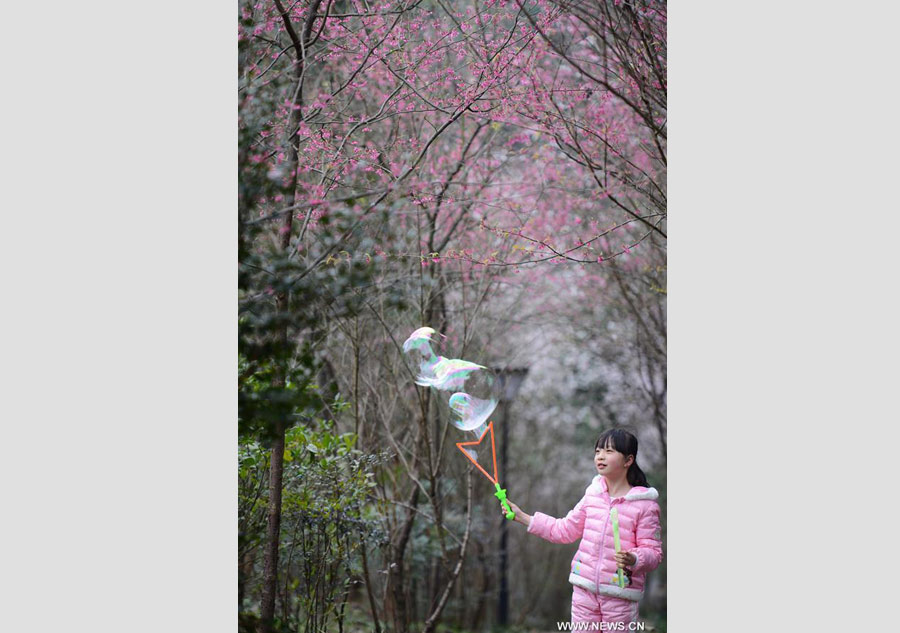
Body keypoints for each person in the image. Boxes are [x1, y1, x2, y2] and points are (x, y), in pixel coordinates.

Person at [503, 428, 663, 625]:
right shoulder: (593, 495)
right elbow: (564, 530)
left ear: (628, 460)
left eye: (609, 451)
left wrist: (635, 558)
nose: (600, 456)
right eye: (598, 451)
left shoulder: (645, 505)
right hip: (583, 592)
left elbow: (654, 553)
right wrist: (524, 517)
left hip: (620, 595)